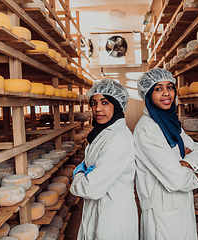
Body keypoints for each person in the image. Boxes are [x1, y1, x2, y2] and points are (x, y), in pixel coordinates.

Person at [134, 68, 198, 240]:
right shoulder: (147, 129)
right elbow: (177, 179)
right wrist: (185, 160)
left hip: (181, 206)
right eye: (158, 89)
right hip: (162, 211)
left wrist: (185, 162)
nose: (166, 93)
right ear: (148, 95)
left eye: (170, 87)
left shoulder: (171, 123)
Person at [70, 78, 138, 240]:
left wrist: (78, 176)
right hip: (100, 210)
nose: (97, 109)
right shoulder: (103, 133)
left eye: (105, 102)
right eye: (93, 103)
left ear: (117, 105)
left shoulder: (119, 137)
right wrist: (87, 173)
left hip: (113, 215)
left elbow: (91, 187)